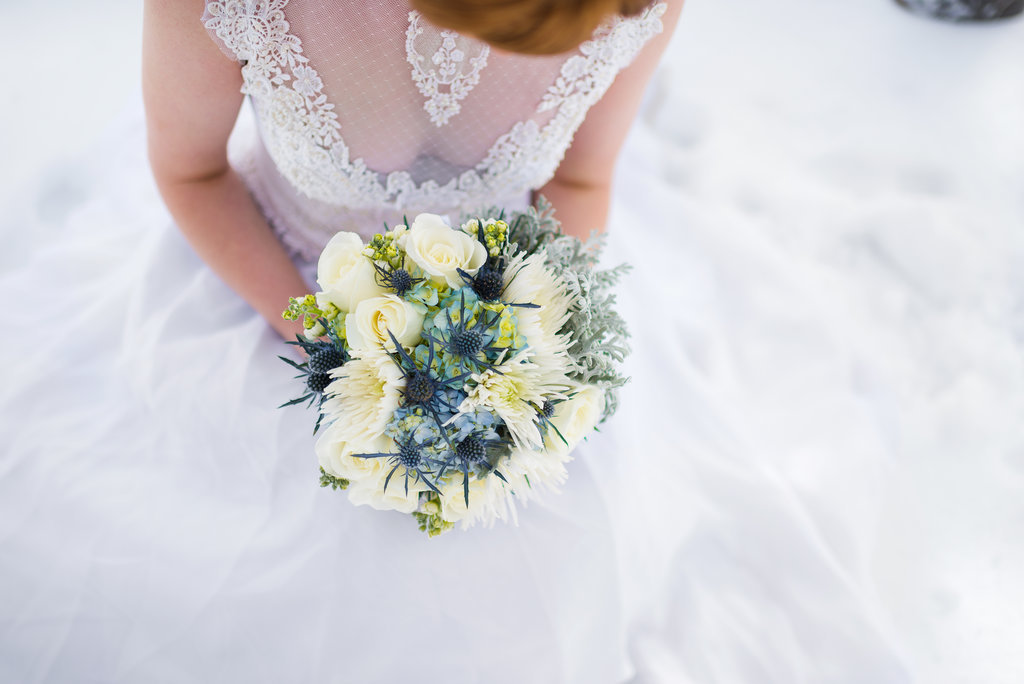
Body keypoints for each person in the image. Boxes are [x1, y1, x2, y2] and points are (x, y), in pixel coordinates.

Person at [0, 0, 685, 681]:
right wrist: (338, 350)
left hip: (501, 308)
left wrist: (525, 342)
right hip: (272, 278)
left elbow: (579, 178)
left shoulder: (633, 6)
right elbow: (192, 172)